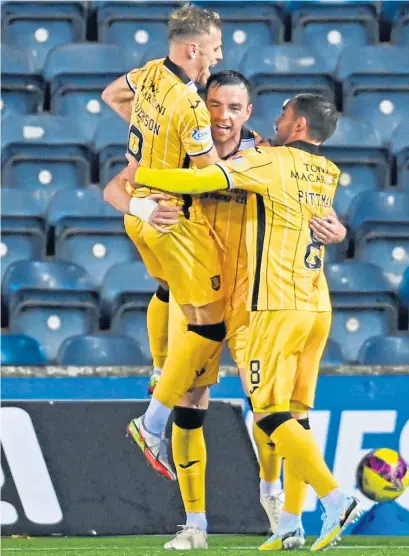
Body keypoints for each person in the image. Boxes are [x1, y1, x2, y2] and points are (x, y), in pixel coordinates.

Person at [122, 93, 361, 551]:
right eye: (214, 106)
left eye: (236, 108)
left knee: (270, 413)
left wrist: (144, 178)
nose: (223, 116)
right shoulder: (326, 170)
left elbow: (209, 177)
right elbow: (319, 215)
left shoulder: (266, 158)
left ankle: (325, 500)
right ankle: (273, 522)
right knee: (278, 412)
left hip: (266, 303)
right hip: (301, 300)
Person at [101, 3, 227, 482]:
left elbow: (111, 94)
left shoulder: (150, 74)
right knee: (208, 325)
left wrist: (147, 139)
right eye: (214, 49)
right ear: (192, 48)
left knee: (166, 291)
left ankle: (159, 369)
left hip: (139, 213)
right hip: (173, 221)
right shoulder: (191, 104)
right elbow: (209, 173)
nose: (216, 58)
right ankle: (152, 422)